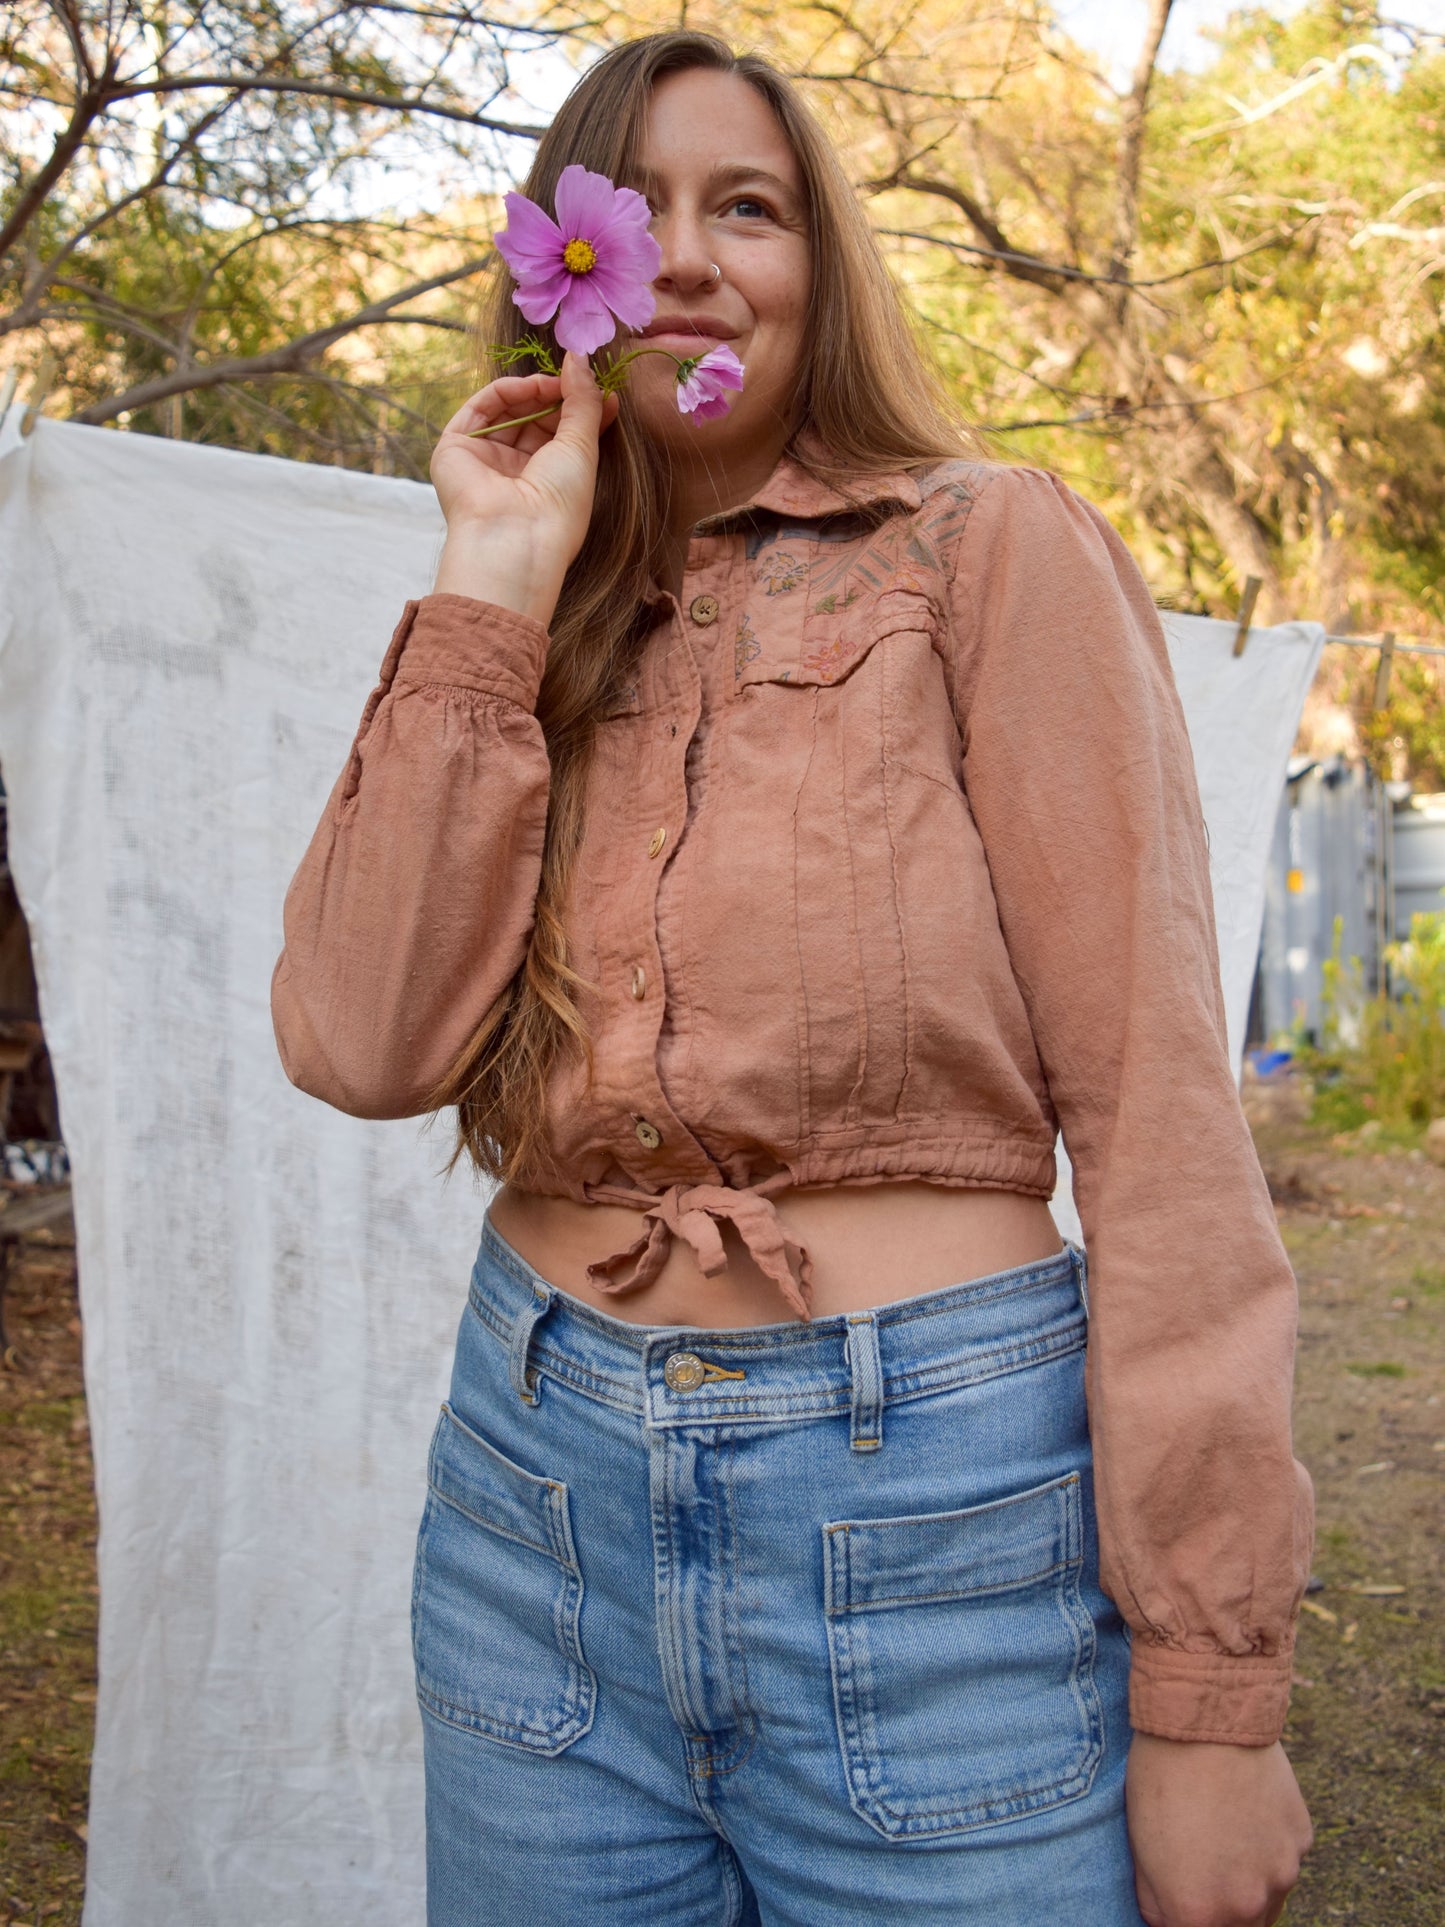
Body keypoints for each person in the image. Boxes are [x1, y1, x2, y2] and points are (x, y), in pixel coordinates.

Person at [270, 30, 1314, 1927]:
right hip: (534, 1506)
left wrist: (1210, 1698)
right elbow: (358, 1041)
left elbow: (1160, 1119)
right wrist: (493, 586)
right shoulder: (513, 624)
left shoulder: (986, 553)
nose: (676, 259)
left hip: (938, 1518)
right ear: (547, 271)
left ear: (817, 271)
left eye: (741, 207)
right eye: (623, 213)